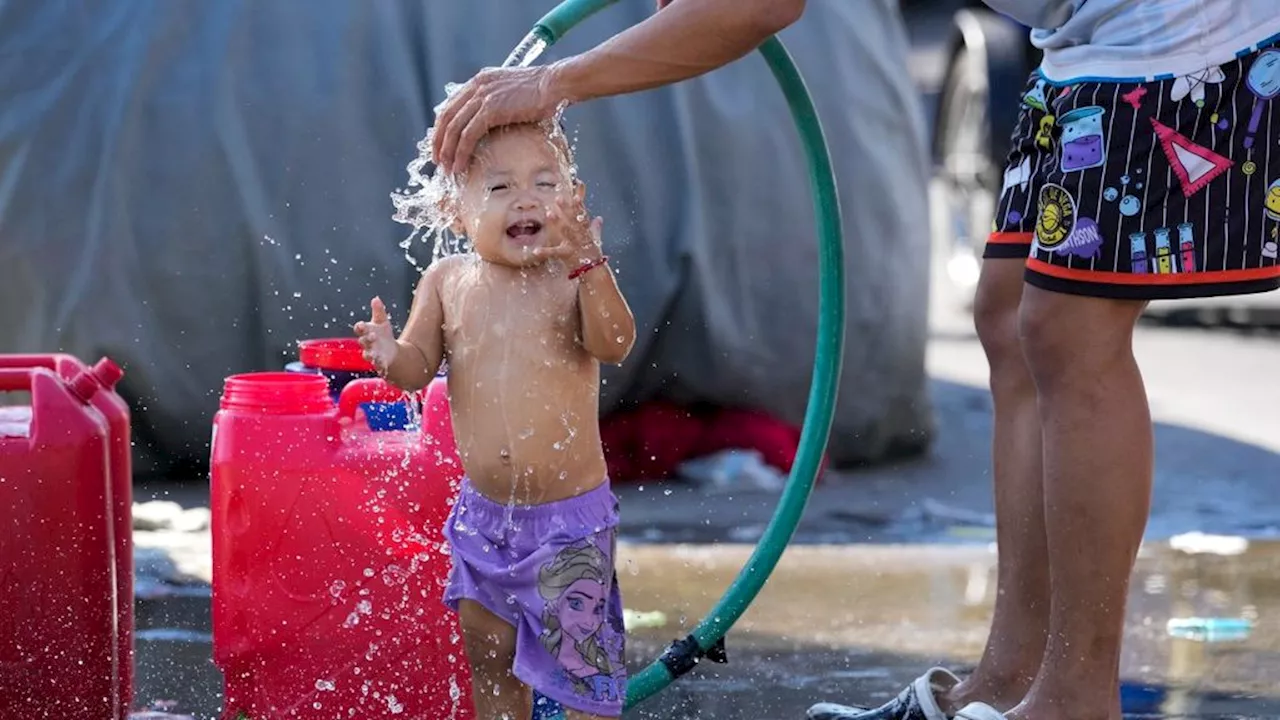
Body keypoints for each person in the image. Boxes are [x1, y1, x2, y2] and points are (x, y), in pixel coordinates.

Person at [432, 1, 1280, 720]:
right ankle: (1011, 674)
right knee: (1010, 319)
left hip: (1173, 28)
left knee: (1067, 335)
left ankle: (1074, 696)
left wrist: (555, 81)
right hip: (1084, 35)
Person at [354, 120, 637, 719]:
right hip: (484, 520)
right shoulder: (447, 281)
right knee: (491, 658)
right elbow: (417, 365)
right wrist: (388, 354)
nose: (526, 199)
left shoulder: (571, 276)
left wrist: (591, 263)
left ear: (573, 200)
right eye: (500, 188)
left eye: (544, 182)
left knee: (581, 672)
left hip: (568, 527)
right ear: (456, 213)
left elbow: (615, 344)